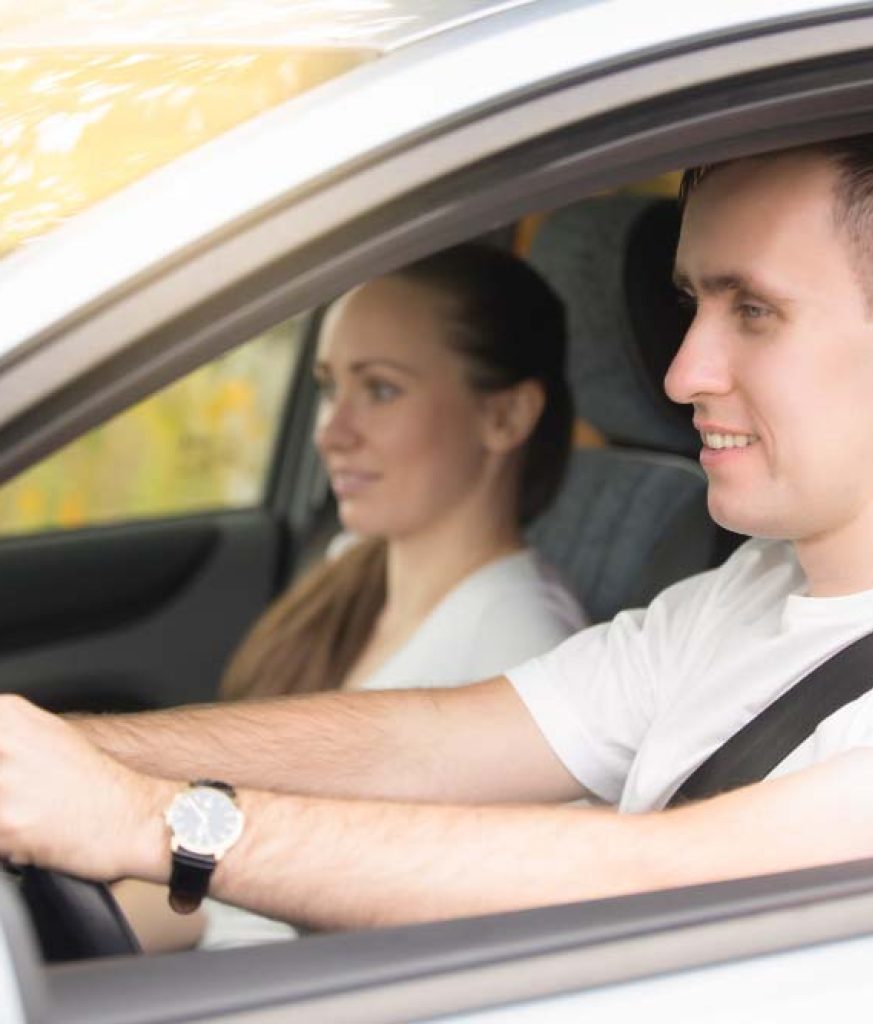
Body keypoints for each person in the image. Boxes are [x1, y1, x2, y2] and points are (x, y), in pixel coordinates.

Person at [2, 120, 873, 934]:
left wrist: (148, 820)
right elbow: (426, 740)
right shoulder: (748, 590)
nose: (680, 374)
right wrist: (72, 755)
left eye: (751, 311)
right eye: (689, 308)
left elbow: (654, 878)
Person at [117, 243, 589, 949]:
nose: (330, 432)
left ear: (506, 417)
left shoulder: (519, 649)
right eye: (331, 387)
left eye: (382, 389)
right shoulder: (351, 565)